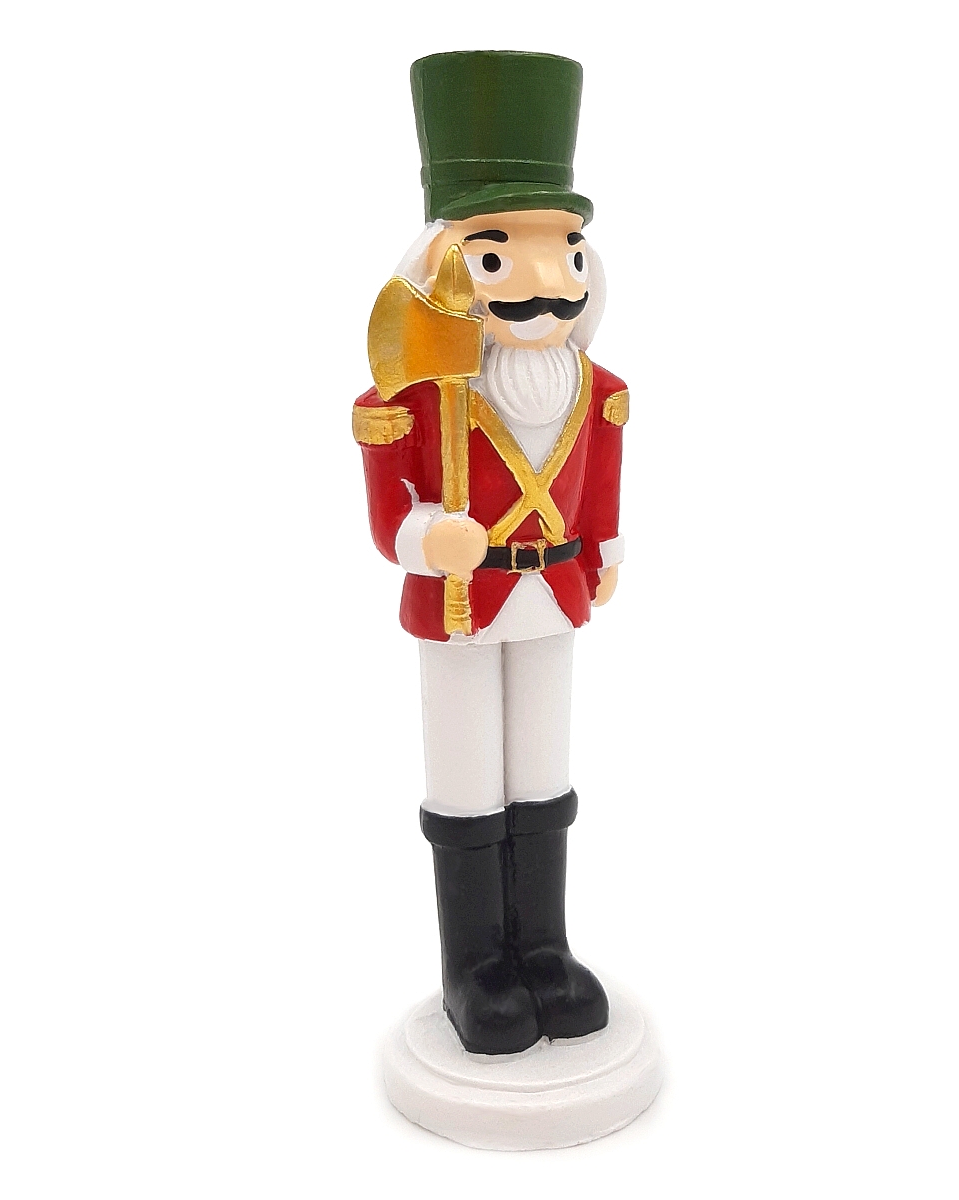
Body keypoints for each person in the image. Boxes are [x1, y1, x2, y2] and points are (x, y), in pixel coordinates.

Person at [353, 51, 627, 1054]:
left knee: (543, 769)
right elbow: (388, 514)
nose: (546, 285)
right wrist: (428, 538)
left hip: (553, 593)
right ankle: (474, 965)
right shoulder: (413, 396)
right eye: (500, 255)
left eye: (567, 251)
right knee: (469, 773)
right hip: (462, 606)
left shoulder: (597, 388)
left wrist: (604, 547)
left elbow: (599, 481)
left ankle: (543, 949)